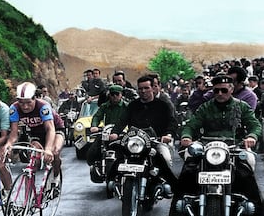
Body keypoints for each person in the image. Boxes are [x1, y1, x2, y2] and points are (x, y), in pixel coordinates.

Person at [170, 75, 263, 216]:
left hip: (234, 146)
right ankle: (180, 206)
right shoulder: (205, 107)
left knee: (249, 163)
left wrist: (251, 136)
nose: (220, 94)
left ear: (231, 90)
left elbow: (255, 125)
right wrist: (186, 136)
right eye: (216, 91)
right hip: (207, 146)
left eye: (224, 90)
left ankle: (254, 207)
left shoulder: (241, 106)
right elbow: (191, 124)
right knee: (188, 166)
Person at [109, 75, 178, 196]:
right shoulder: (132, 105)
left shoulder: (163, 105)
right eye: (140, 89)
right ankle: (112, 183)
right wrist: (115, 133)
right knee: (117, 156)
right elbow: (122, 120)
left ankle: (169, 187)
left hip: (156, 141)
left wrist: (168, 134)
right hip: (135, 142)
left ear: (153, 88)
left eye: (146, 88)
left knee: (165, 158)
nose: (143, 91)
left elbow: (172, 122)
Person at [5, 82, 65, 184]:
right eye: (21, 103)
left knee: (54, 152)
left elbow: (50, 129)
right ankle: (31, 194)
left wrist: (48, 149)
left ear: (34, 98)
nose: (25, 107)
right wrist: (8, 144)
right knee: (33, 157)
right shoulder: (14, 108)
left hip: (55, 128)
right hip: (36, 132)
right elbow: (14, 132)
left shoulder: (43, 106)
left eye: (28, 102)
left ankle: (56, 176)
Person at [86, 85, 128, 171]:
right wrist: (94, 126)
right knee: (93, 149)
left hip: (123, 133)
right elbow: (97, 116)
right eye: (112, 94)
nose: (114, 96)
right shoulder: (104, 106)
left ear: (121, 95)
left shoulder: (126, 106)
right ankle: (96, 166)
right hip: (107, 132)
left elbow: (133, 119)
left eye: (117, 94)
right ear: (109, 95)